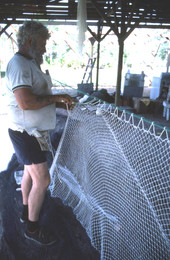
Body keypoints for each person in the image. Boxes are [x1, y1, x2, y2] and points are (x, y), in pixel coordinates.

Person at [5, 21, 74, 245]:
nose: (45, 48)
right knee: (43, 180)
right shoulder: (18, 65)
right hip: (26, 132)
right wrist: (57, 99)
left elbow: (38, 98)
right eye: (43, 44)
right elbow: (25, 102)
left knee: (29, 174)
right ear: (29, 41)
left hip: (34, 131)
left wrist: (63, 104)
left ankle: (26, 212)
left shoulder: (30, 63)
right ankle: (32, 230)